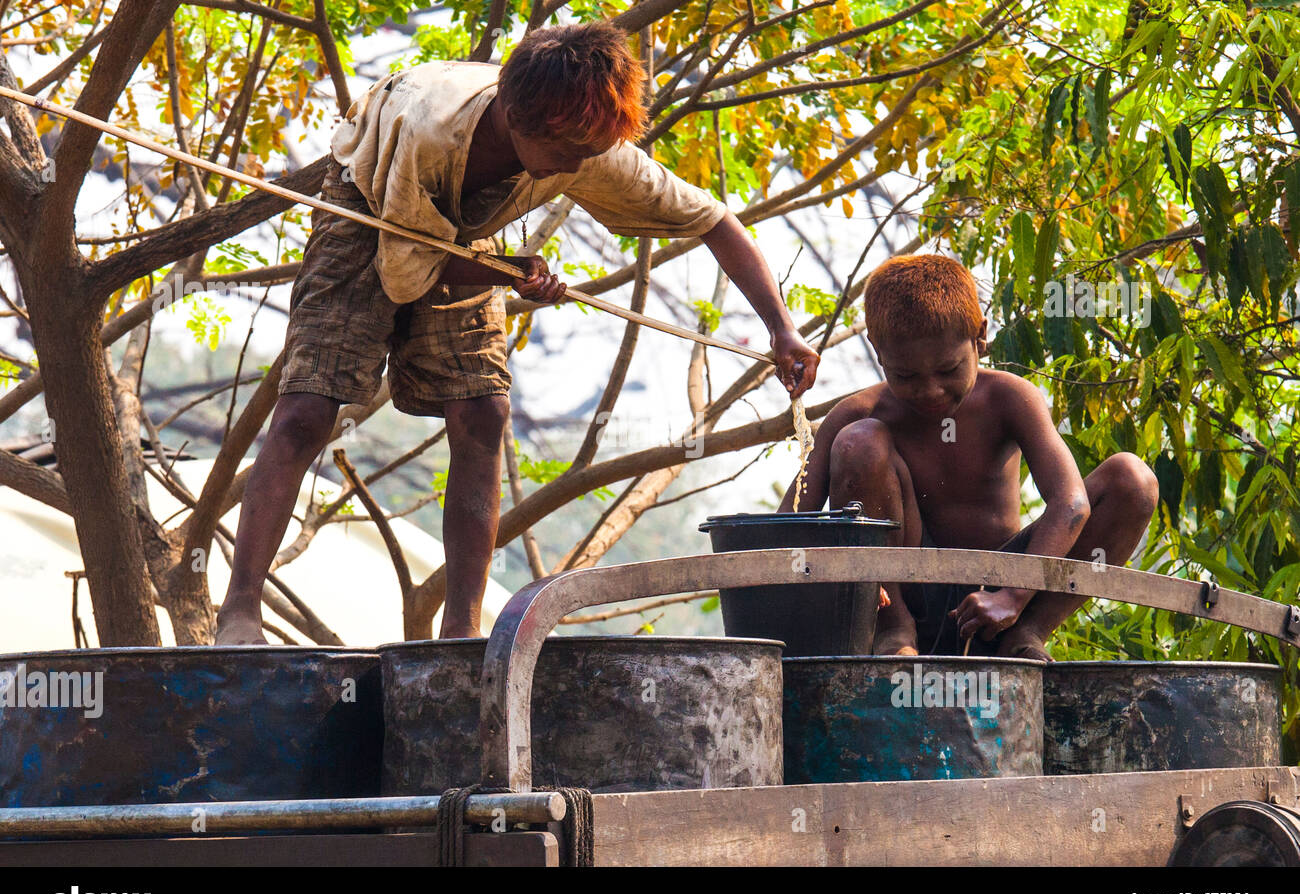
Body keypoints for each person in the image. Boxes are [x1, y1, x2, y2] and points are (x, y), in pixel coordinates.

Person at [215, 21, 819, 645]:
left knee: (483, 415)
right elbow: (404, 264)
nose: (580, 166)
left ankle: (461, 631)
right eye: (568, 155)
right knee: (307, 411)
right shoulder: (431, 132)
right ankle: (238, 610)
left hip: (466, 231)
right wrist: (510, 273)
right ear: (518, 119)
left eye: (589, 153)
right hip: (371, 203)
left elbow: (714, 221)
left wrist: (783, 330)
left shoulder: (584, 140)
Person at [778, 254, 1158, 660]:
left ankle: (1026, 634)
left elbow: (1072, 502)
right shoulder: (860, 412)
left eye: (948, 370)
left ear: (980, 337)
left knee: (1132, 480)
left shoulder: (1009, 397)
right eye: (906, 376)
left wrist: (1012, 595)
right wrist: (848, 582)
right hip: (901, 600)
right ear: (878, 350)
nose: (930, 391)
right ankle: (895, 632)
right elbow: (785, 529)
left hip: (1003, 595)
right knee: (860, 441)